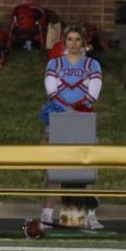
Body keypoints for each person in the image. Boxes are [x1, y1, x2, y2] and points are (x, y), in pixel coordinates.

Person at [39, 24, 104, 230]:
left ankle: (88, 215)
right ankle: (46, 215)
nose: (73, 43)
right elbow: (51, 90)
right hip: (58, 116)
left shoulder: (93, 64)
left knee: (85, 168)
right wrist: (66, 111)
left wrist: (77, 110)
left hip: (83, 118)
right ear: (63, 41)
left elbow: (93, 92)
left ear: (84, 42)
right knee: (54, 168)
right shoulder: (54, 63)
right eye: (70, 39)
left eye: (77, 39)